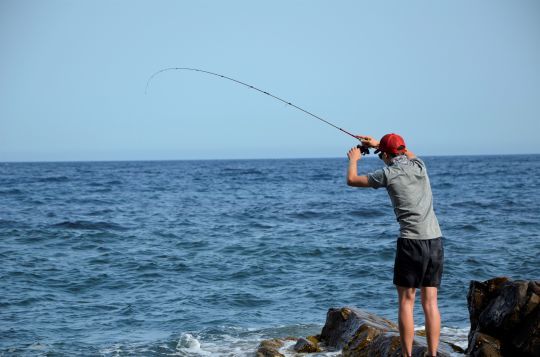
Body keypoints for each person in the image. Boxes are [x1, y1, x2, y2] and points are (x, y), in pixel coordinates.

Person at [346, 133, 443, 357]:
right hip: (435, 240)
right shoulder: (420, 166)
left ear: (386, 155)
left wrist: (354, 159)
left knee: (407, 302)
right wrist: (380, 146)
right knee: (430, 303)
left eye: (382, 154)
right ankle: (433, 354)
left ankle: (407, 355)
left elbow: (352, 180)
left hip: (411, 242)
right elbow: (403, 154)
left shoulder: (388, 174)